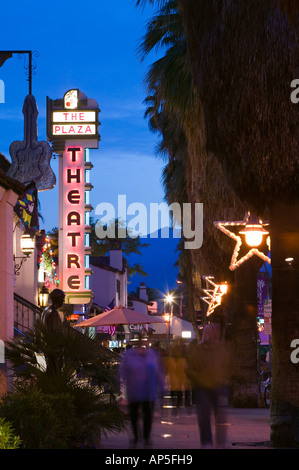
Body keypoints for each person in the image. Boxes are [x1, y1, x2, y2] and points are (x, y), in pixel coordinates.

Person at [186, 307, 231, 448]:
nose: (211, 335)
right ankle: (207, 441)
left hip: (219, 386)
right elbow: (190, 368)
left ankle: (220, 441)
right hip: (203, 387)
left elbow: (228, 365)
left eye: (213, 333)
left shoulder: (222, 349)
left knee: (220, 417)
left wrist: (225, 378)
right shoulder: (198, 350)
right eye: (209, 333)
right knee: (204, 416)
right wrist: (197, 379)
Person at [119, 336, 165, 447]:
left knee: (147, 415)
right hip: (134, 390)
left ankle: (146, 437)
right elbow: (122, 372)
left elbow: (159, 372)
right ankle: (136, 437)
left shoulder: (152, 355)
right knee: (134, 415)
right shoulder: (129, 355)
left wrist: (162, 387)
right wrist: (120, 388)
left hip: (149, 391)